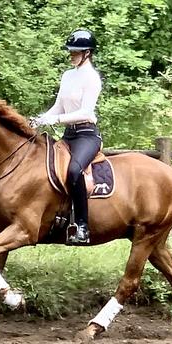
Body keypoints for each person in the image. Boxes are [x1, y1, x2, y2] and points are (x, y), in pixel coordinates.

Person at [34, 29, 103, 245]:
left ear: (87, 53)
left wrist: (54, 120)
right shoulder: (68, 75)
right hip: (69, 135)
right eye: (71, 51)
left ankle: (82, 225)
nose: (71, 54)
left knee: (74, 170)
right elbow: (59, 105)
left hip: (86, 135)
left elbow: (85, 112)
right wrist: (39, 119)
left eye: (76, 51)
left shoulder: (92, 78)